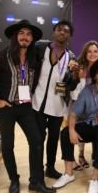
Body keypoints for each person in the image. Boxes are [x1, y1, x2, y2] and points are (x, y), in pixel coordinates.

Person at [0, 20, 56, 193]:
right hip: (5, 108)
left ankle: (36, 182)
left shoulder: (34, 58)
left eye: (28, 34)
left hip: (26, 108)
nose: (25, 37)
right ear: (15, 36)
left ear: (32, 39)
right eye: (21, 33)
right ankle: (14, 180)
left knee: (36, 142)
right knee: (8, 145)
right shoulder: (1, 56)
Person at [52, 61, 98, 193]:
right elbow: (74, 113)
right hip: (90, 124)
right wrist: (71, 130)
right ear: (94, 76)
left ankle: (94, 179)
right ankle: (69, 174)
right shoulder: (87, 90)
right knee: (65, 133)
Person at [32, 20, 79, 179]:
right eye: (59, 29)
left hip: (58, 105)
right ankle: (37, 169)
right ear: (54, 32)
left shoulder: (71, 57)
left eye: (66, 31)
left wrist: (75, 74)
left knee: (53, 139)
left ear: (70, 36)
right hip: (37, 102)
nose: (62, 33)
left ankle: (50, 168)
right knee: (38, 138)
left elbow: (71, 86)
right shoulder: (40, 48)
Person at [70, 40, 98, 171]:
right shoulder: (79, 67)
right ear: (85, 53)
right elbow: (73, 90)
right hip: (78, 104)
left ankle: (95, 156)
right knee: (75, 131)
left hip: (96, 106)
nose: (92, 54)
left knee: (97, 127)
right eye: (89, 51)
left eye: (95, 51)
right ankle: (79, 156)